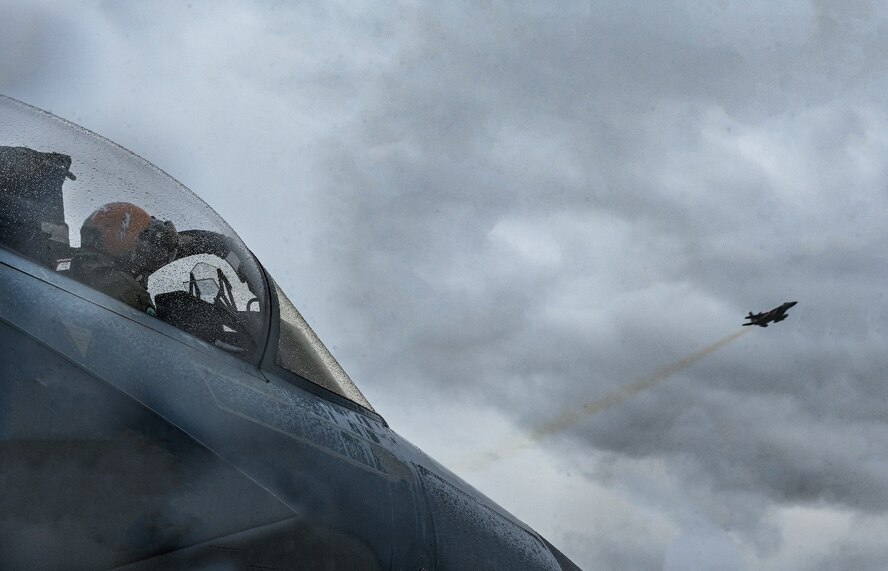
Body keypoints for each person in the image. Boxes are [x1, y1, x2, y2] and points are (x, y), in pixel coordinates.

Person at [71, 202, 178, 316]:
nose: (156, 255)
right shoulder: (128, 291)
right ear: (121, 237)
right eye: (145, 237)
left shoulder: (72, 259)